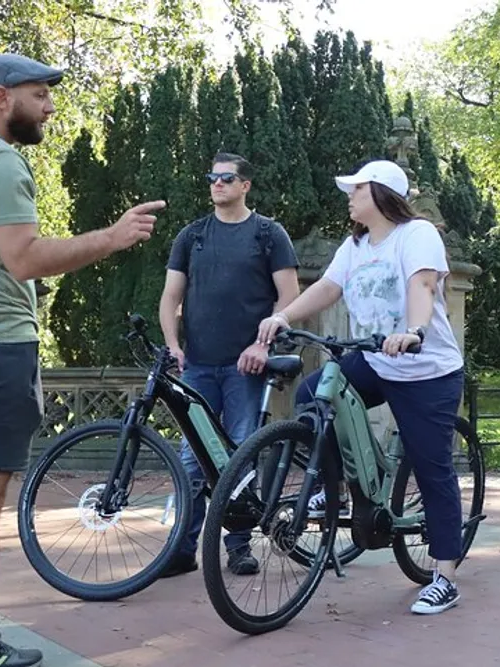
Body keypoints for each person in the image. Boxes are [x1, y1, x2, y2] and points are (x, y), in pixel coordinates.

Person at [0, 53, 164, 667]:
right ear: (1, 96)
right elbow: (25, 258)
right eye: (40, 94)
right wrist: (112, 237)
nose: (49, 106)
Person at [258, 160, 466, 615]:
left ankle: (445, 574)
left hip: (424, 368)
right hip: (375, 360)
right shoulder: (354, 245)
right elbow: (329, 288)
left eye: (357, 189)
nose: (349, 196)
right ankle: (336, 486)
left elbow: (423, 284)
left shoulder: (417, 235)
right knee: (313, 395)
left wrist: (413, 330)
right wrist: (284, 316)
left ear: (381, 193)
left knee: (433, 470)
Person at [158, 152, 300, 577]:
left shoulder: (268, 234)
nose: (217, 184)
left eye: (227, 178)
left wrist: (263, 344)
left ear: (245, 186)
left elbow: (289, 298)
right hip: (198, 366)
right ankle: (182, 550)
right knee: (191, 461)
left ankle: (238, 547)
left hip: (248, 369)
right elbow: (170, 297)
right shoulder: (193, 235)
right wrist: (172, 345)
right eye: (212, 178)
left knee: (239, 457)